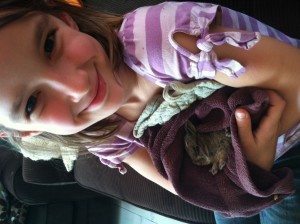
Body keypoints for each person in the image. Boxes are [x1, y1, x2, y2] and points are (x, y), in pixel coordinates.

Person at [0, 0, 298, 223]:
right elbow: (179, 184)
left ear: (63, 18)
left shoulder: (161, 41)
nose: (77, 86)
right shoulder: (98, 132)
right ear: (28, 132)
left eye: (50, 43)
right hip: (236, 167)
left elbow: (294, 73)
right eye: (32, 103)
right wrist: (240, 177)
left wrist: (252, 168)